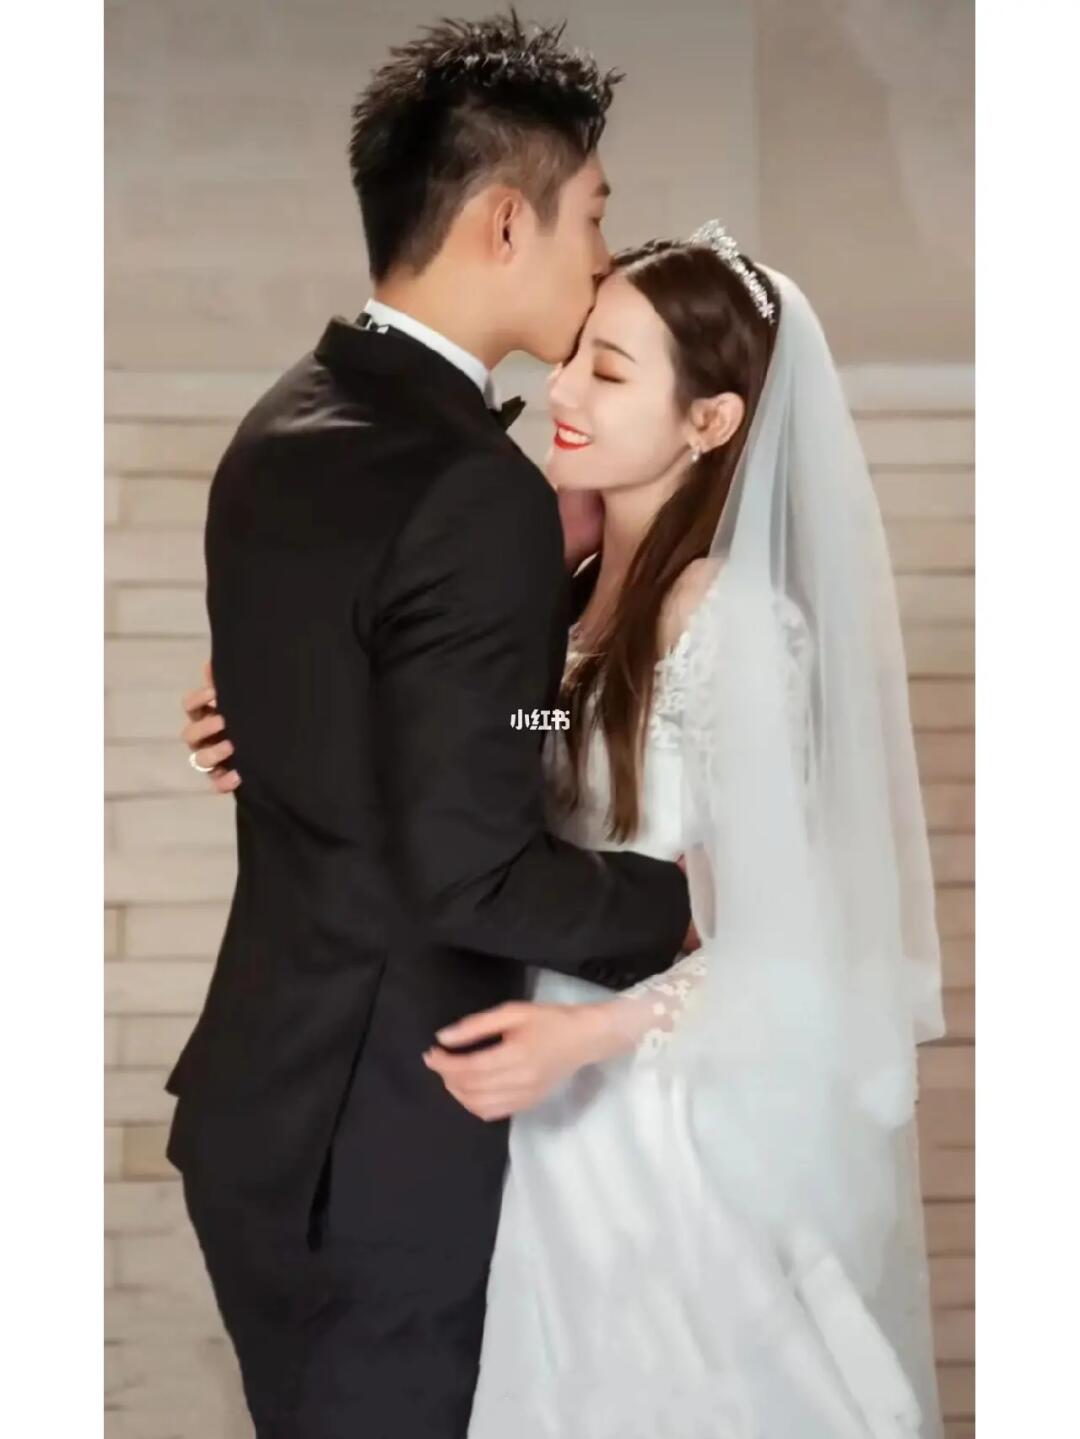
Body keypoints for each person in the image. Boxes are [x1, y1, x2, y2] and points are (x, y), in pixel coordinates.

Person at [187, 225, 947, 1436]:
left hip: (639, 1119)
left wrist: (589, 1032)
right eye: (576, 354)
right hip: (513, 1107)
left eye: (611, 368)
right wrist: (279, 715)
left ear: (709, 422)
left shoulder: (732, 623)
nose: (563, 390)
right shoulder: (571, 603)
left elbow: (792, 937)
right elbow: (510, 741)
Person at [164, 14, 694, 1438]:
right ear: (507, 220)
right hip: (385, 1152)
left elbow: (360, 700)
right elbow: (471, 869)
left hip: (266, 1106)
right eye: (595, 215)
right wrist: (689, 906)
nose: (601, 255)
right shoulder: (474, 490)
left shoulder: (283, 420)